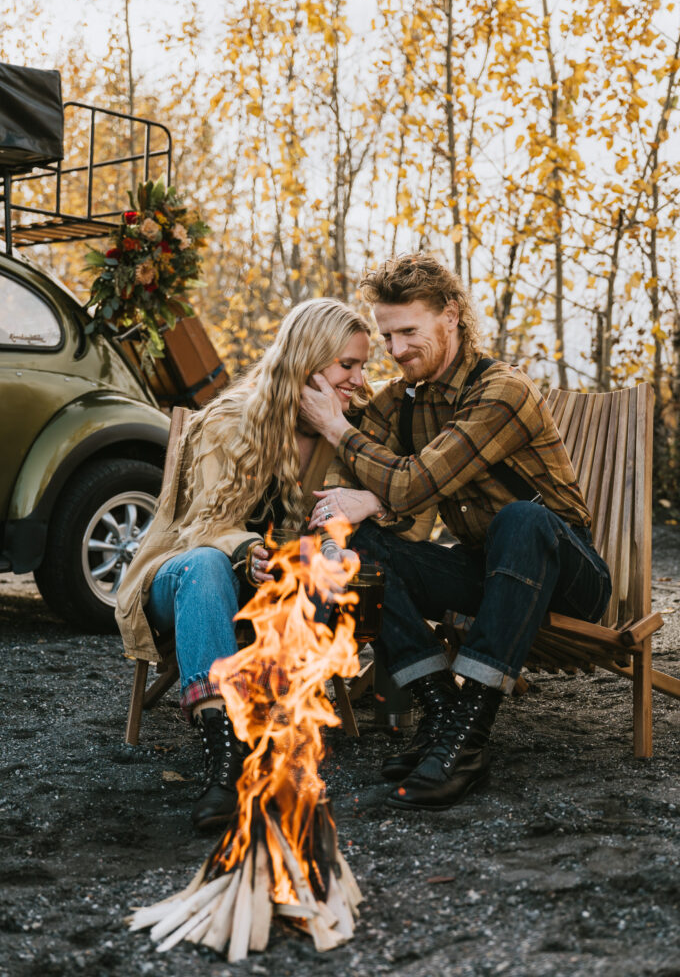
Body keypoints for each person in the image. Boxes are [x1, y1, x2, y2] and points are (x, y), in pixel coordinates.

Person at [300, 252, 612, 811]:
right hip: (489, 575)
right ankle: (442, 710)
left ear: (450, 314)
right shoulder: (401, 401)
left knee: (521, 518)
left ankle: (466, 737)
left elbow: (416, 481)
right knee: (361, 544)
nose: (395, 351)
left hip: (567, 576)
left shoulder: (503, 391)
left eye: (407, 332)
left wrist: (338, 430)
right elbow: (339, 477)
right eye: (386, 336)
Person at [116, 298, 382, 831]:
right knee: (208, 565)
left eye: (362, 365)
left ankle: (274, 729)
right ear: (307, 362)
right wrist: (243, 551)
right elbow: (197, 528)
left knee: (324, 562)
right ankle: (224, 758)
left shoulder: (347, 424)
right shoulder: (236, 419)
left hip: (274, 591)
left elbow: (397, 488)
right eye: (346, 365)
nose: (358, 379)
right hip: (185, 577)